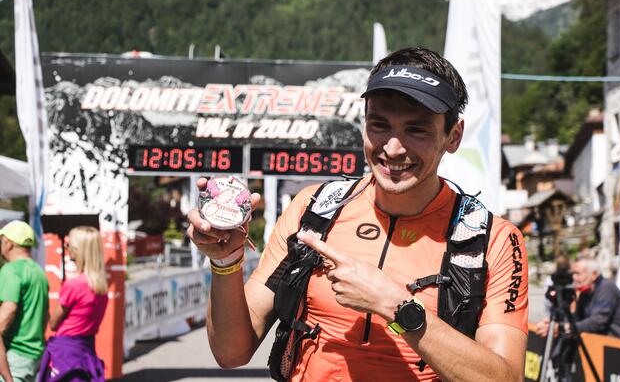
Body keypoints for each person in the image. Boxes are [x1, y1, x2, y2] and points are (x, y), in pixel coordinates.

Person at [187, 47, 529, 381]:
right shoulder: (313, 209)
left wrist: (396, 306)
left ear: (453, 136)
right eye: (380, 125)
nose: (393, 148)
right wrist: (225, 261)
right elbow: (231, 353)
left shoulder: (492, 240)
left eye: (417, 129)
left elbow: (506, 376)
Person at [37, 226, 108, 382]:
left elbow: (54, 323)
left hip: (66, 352)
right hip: (86, 348)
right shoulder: (101, 287)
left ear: (79, 249)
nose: (67, 247)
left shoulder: (74, 285)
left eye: (69, 244)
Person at [0, 221, 49, 382]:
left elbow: (8, 311)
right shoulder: (39, 272)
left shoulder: (11, 270)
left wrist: (8, 378)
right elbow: (44, 316)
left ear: (9, 243)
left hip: (14, 358)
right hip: (35, 356)